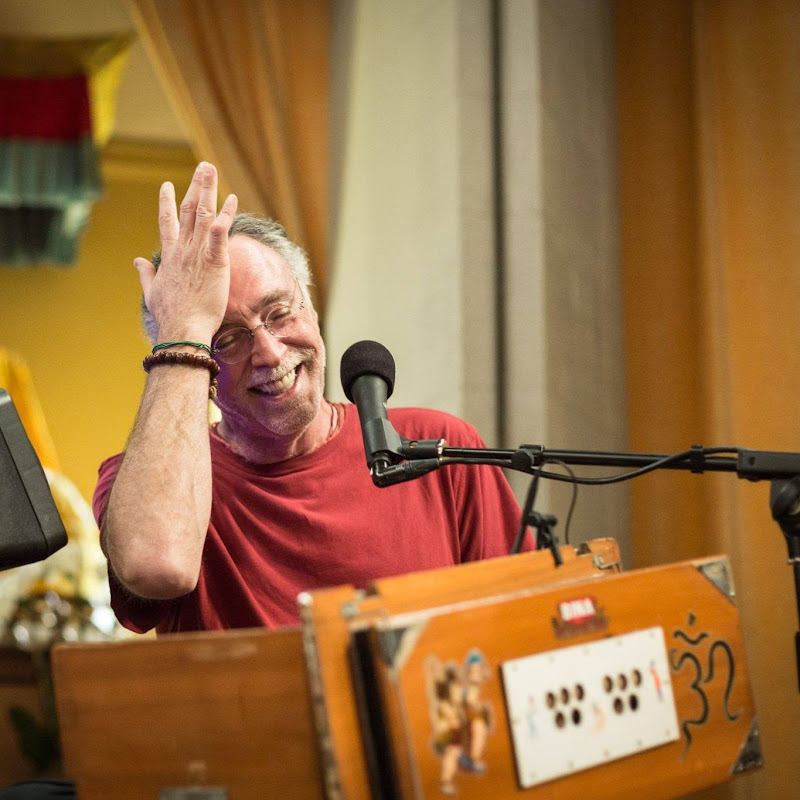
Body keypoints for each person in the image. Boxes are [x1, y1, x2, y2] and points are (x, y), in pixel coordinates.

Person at [0, 161, 528, 799]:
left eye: (280, 313)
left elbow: (522, 631)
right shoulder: (148, 482)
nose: (271, 353)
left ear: (312, 306)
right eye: (226, 339)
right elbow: (156, 568)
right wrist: (183, 329)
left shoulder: (438, 448)